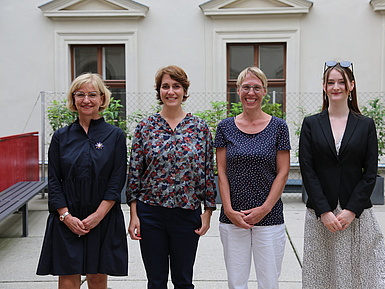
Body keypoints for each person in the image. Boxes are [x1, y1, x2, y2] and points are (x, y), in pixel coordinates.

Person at [299, 61, 385, 288]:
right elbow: (308, 171)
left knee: (360, 275)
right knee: (321, 276)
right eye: (331, 82)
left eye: (341, 82)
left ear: (351, 86)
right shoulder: (311, 124)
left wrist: (351, 211)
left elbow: (370, 173)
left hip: (355, 214)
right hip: (322, 215)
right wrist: (324, 211)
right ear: (324, 86)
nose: (336, 87)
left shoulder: (365, 124)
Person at [127, 65, 216, 289]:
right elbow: (134, 173)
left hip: (187, 213)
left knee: (183, 281)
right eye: (165, 86)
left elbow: (207, 171)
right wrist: (133, 215)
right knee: (156, 281)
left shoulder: (199, 128)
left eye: (176, 86)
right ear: (159, 92)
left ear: (184, 90)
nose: (171, 91)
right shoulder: (145, 128)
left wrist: (208, 212)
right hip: (151, 213)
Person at [37, 73, 128, 288]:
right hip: (67, 219)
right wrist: (66, 216)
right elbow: (54, 180)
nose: (86, 100)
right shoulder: (61, 137)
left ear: (102, 99)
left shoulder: (115, 136)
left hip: (102, 218)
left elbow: (117, 180)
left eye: (92, 94)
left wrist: (98, 215)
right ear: (73, 99)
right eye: (80, 95)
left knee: (97, 279)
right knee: (68, 280)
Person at [214, 66, 291, 289]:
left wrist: (264, 209)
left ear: (265, 91)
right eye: (246, 87)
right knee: (236, 282)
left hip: (269, 218)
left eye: (257, 88)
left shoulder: (279, 127)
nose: (251, 92)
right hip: (233, 217)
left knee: (268, 282)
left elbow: (283, 172)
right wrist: (228, 209)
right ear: (238, 90)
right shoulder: (225, 127)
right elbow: (222, 172)